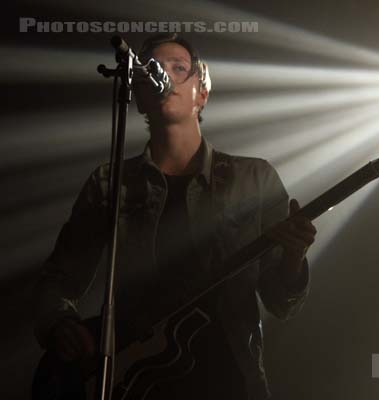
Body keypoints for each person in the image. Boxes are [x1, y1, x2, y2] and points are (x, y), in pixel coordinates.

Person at [32, 33, 317, 400]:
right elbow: (58, 278)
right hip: (133, 383)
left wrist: (294, 258)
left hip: (230, 384)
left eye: (179, 68)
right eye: (153, 68)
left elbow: (281, 303)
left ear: (202, 92)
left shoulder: (254, 179)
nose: (163, 74)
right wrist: (60, 325)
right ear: (137, 95)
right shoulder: (110, 183)